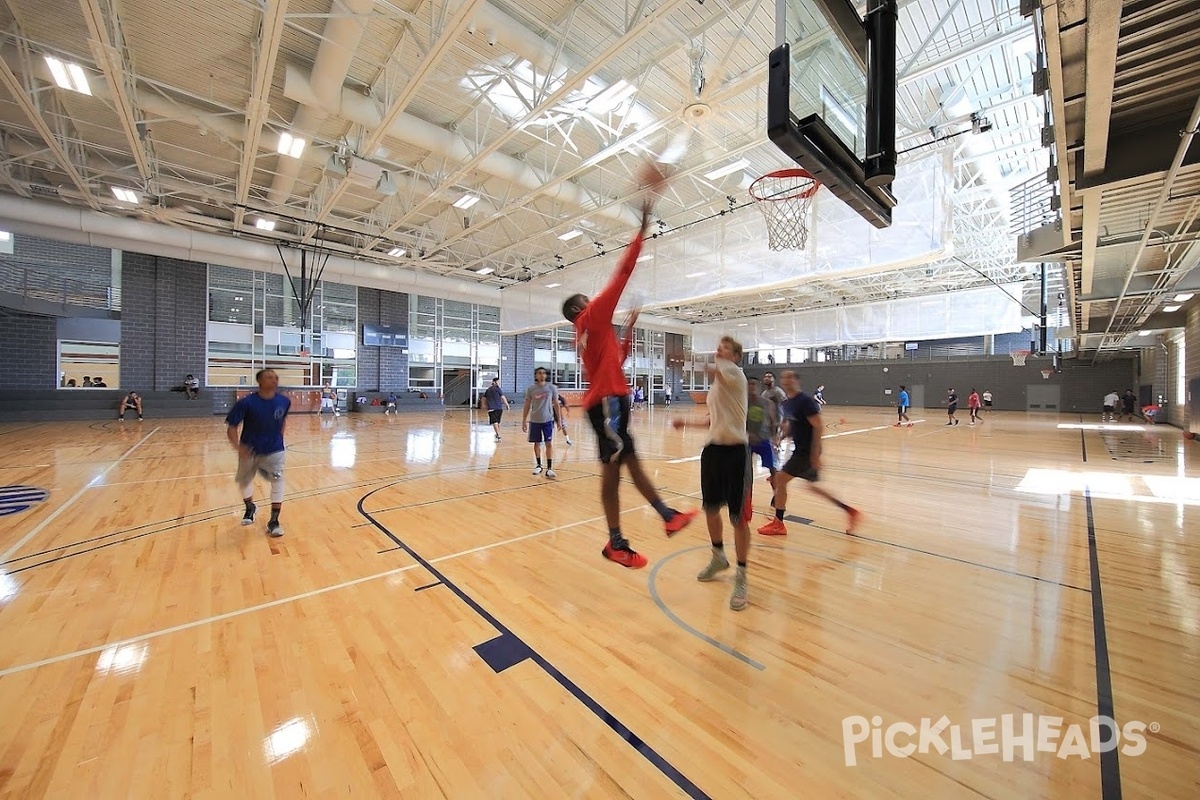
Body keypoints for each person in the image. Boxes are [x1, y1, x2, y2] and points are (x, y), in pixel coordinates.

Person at [560, 161, 696, 569]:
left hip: (611, 401)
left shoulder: (588, 333)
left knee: (629, 464)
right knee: (614, 469)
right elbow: (623, 271)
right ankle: (615, 542)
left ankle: (667, 516)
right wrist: (643, 223)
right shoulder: (590, 316)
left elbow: (617, 359)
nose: (594, 300)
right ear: (582, 307)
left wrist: (630, 329)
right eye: (589, 299)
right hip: (606, 404)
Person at [673, 336, 752, 611]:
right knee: (710, 508)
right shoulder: (719, 385)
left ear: (735, 356)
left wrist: (685, 360)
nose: (719, 350)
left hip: (735, 454)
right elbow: (712, 421)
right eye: (718, 346)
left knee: (738, 518)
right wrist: (686, 422)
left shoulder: (733, 373)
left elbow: (711, 368)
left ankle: (742, 576)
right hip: (713, 452)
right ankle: (718, 556)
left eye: (725, 347)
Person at [758, 370, 860, 536]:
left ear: (797, 381)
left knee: (780, 479)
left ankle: (778, 523)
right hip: (801, 450)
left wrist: (815, 454)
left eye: (790, 377)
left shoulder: (805, 400)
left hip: (806, 451)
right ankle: (850, 511)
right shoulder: (788, 403)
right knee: (812, 487)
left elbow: (818, 425)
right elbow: (793, 426)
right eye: (784, 377)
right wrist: (781, 437)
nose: (786, 380)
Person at [226, 368, 290, 537]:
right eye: (269, 377)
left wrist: (278, 438)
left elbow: (282, 420)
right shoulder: (246, 403)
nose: (274, 380)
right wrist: (239, 447)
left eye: (276, 377)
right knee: (245, 481)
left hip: (275, 450)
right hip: (250, 450)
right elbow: (232, 428)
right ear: (260, 381)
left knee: (278, 481)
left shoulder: (284, 401)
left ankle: (274, 521)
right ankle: (250, 507)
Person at [521, 367, 562, 478]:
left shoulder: (551, 388)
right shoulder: (531, 389)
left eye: (544, 373)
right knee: (536, 443)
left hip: (548, 420)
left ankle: (549, 468)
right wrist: (524, 420)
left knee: (549, 443)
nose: (542, 375)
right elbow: (527, 405)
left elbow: (556, 404)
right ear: (536, 375)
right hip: (535, 420)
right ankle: (539, 465)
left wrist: (560, 420)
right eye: (539, 373)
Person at [746, 377, 777, 487]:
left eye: (754, 384)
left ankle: (777, 496)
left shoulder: (767, 403)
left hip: (763, 439)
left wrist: (774, 438)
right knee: (746, 472)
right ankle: (746, 501)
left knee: (773, 469)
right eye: (749, 384)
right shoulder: (742, 403)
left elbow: (773, 422)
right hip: (746, 441)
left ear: (758, 387)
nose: (751, 387)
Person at [482, 377, 510, 442]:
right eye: (498, 382)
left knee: (496, 422)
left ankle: (497, 434)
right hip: (496, 408)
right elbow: (503, 397)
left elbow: (483, 398)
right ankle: (498, 434)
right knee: (496, 422)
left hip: (496, 408)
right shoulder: (496, 389)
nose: (499, 383)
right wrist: (507, 405)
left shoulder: (489, 389)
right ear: (494, 382)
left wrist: (483, 405)